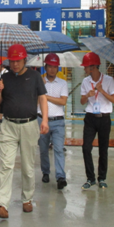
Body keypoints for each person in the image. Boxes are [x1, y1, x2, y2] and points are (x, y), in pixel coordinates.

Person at [0, 44, 49, 219]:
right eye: (12, 61)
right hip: (8, 125)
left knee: (28, 166)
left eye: (18, 61)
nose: (15, 64)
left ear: (24, 59)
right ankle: (2, 205)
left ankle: (27, 199)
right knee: (6, 165)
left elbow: (42, 98)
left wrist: (45, 120)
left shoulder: (35, 76)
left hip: (29, 125)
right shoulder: (5, 78)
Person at [80, 52, 114, 190]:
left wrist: (102, 91)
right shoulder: (85, 82)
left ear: (93, 67)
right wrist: (87, 95)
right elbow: (82, 101)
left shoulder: (108, 80)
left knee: (103, 149)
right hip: (90, 117)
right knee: (86, 148)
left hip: (104, 118)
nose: (84, 69)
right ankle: (90, 178)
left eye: (86, 66)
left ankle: (102, 178)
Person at [38, 53, 69, 189]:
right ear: (45, 67)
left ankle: (61, 177)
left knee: (58, 149)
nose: (52, 69)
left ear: (58, 68)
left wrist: (46, 96)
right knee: (43, 149)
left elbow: (63, 101)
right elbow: (34, 101)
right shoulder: (39, 82)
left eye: (55, 66)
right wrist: (40, 88)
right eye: (50, 66)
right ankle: (45, 172)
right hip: (41, 120)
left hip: (58, 122)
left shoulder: (62, 83)